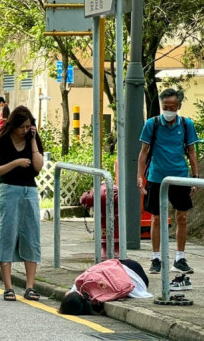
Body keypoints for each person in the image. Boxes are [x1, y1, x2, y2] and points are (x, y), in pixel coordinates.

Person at [137, 88, 199, 275]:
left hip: (180, 175)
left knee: (182, 217)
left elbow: (191, 152)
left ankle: (180, 258)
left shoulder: (186, 125)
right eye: (165, 106)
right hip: (157, 177)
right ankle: (156, 258)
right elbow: (144, 151)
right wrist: (140, 176)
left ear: (178, 106)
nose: (168, 110)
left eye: (172, 106)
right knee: (156, 218)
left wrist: (194, 177)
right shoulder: (152, 124)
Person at [0, 105, 43, 301]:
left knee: (31, 235)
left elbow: (38, 166)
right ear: (13, 125)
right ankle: (8, 286)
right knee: (8, 234)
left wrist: (34, 141)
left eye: (29, 126)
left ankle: (30, 286)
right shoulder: (1, 142)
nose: (25, 130)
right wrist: (15, 163)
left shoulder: (32, 140)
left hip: (30, 190)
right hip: (9, 190)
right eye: (22, 127)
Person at [59, 259, 152, 315]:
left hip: (141, 282)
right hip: (123, 263)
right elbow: (67, 294)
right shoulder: (80, 282)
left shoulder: (98, 300)